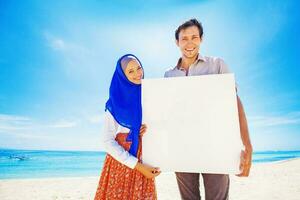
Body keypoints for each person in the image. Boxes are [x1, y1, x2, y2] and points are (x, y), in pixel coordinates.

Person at [164, 19, 253, 200]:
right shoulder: (169, 74)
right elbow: (166, 114)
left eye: (194, 37)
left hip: (216, 145)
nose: (190, 43)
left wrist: (247, 144)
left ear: (201, 39)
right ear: (177, 42)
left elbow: (235, 104)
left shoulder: (217, 64)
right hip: (182, 149)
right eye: (184, 39)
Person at [94, 54, 161, 200]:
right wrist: (137, 165)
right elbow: (106, 141)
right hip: (122, 163)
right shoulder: (115, 103)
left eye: (138, 68)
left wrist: (147, 130)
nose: (137, 74)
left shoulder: (149, 96)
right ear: (122, 76)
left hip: (145, 159)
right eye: (130, 71)